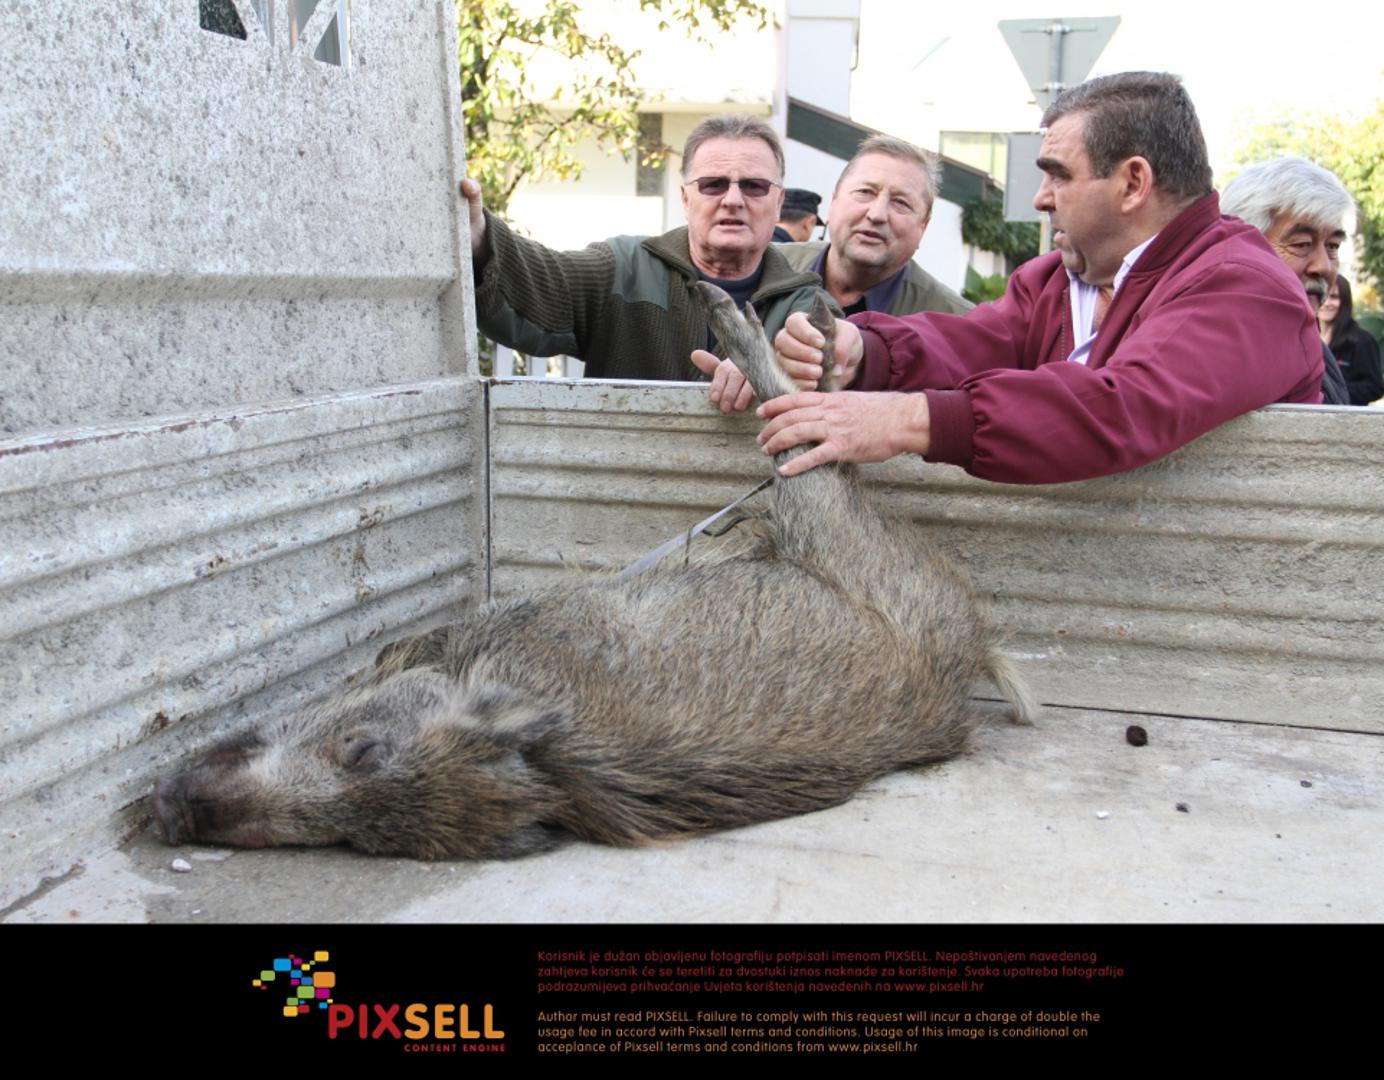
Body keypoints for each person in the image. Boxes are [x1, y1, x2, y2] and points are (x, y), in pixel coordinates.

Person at [759, 72, 1324, 484]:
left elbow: (1121, 407)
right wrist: (862, 350)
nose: (1040, 198)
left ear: (1132, 184)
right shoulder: (1057, 277)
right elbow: (975, 340)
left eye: (1058, 175)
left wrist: (904, 420)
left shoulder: (1246, 287)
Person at [461, 114, 831, 382]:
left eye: (753, 186)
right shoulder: (625, 269)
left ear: (778, 203)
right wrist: (478, 235)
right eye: (713, 185)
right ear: (685, 199)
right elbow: (545, 280)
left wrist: (777, 363)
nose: (733, 200)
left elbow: (836, 348)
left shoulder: (804, 299)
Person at [699, 135, 971, 410]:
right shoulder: (758, 267)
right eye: (865, 192)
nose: (877, 214)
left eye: (901, 203)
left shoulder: (956, 324)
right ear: (833, 203)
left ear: (923, 227)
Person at [1219, 156, 1353, 404]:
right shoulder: (1216, 350)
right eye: (1301, 244)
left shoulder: (1310, 345)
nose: (1323, 266)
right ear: (1241, 247)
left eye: (1333, 246)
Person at [1320, 274, 1383, 405]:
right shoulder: (1306, 340)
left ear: (1345, 301)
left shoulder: (1363, 341)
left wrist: (1335, 392)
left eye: (1334, 297)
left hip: (1347, 415)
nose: (1326, 303)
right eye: (1322, 296)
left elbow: (1375, 387)